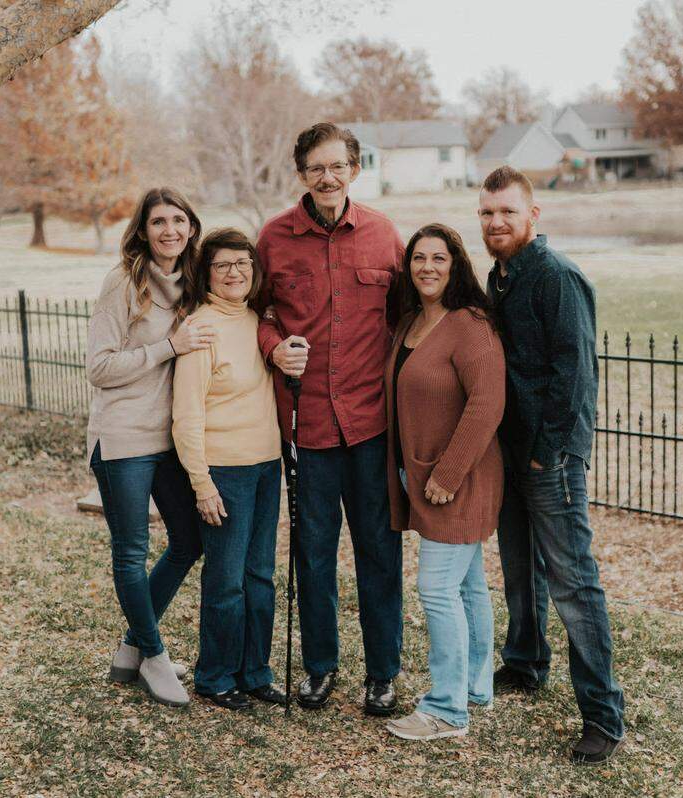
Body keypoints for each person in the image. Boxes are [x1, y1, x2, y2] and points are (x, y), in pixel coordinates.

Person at [255, 122, 404, 715]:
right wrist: (273, 345)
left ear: (355, 170)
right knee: (313, 556)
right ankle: (319, 668)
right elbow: (256, 311)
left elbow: (409, 312)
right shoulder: (273, 239)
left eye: (337, 166)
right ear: (301, 173)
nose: (327, 176)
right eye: (316, 167)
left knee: (378, 553)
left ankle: (383, 674)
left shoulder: (383, 235)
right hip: (307, 427)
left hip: (371, 426)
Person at [479, 165, 626, 764]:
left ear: (532, 215)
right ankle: (525, 661)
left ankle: (603, 713)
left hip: (550, 458)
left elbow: (575, 377)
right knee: (520, 567)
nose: (495, 222)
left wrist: (548, 453)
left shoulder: (557, 277)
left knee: (572, 580)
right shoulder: (502, 278)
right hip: (509, 452)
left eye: (507, 212)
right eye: (487, 213)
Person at [86, 187, 215, 708]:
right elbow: (99, 367)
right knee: (132, 552)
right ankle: (155, 657)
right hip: (123, 439)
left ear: (191, 227)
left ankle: (132, 647)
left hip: (169, 440)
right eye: (158, 222)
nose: (169, 231)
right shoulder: (123, 283)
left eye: (178, 221)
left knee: (190, 541)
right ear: (143, 229)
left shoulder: (192, 285)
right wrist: (168, 346)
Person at [382, 224, 505, 742]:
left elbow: (486, 404)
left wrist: (448, 475)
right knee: (468, 585)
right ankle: (475, 687)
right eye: (418, 258)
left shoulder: (470, 324)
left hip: (459, 479)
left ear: (455, 265)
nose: (427, 267)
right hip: (422, 474)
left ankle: (446, 709)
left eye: (439, 258)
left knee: (435, 589)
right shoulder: (411, 322)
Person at [172, 228, 287, 711]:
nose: (234, 273)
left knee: (260, 574)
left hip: (267, 467)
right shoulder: (201, 328)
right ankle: (215, 675)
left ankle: (255, 671)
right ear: (207, 274)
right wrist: (202, 483)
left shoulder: (259, 321)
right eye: (223, 265)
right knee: (226, 579)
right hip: (224, 472)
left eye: (242, 264)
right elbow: (186, 415)